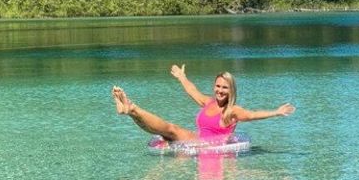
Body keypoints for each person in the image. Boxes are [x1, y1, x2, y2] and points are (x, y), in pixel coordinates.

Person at [111, 65, 293, 143]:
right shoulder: (209, 102)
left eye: (224, 88)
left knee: (171, 128)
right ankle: (130, 111)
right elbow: (193, 91)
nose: (220, 90)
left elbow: (253, 115)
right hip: (196, 140)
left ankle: (132, 107)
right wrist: (182, 77)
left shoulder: (232, 111)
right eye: (217, 86)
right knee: (164, 132)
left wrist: (276, 112)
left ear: (231, 90)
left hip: (205, 145)